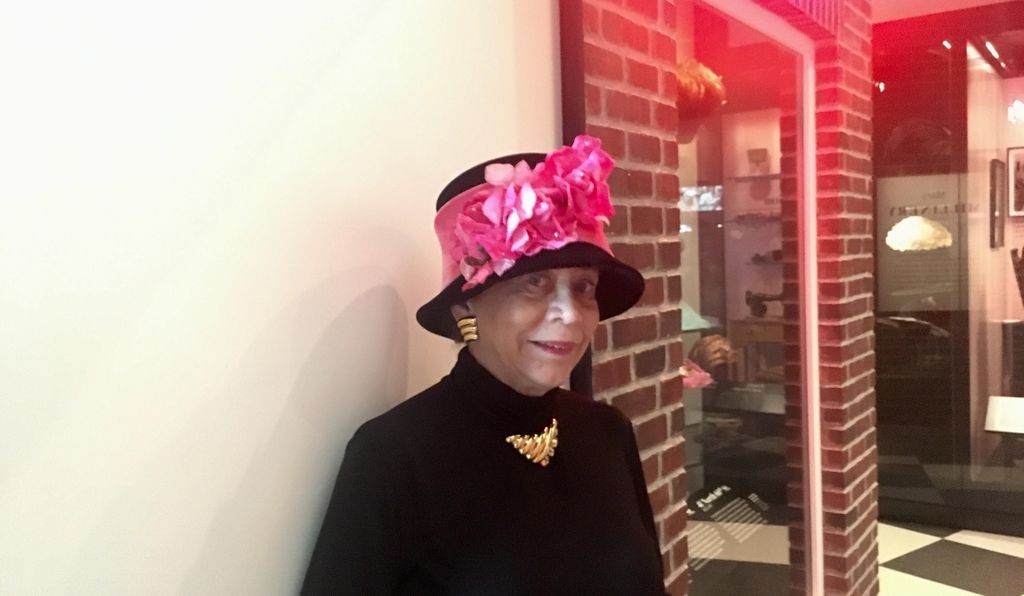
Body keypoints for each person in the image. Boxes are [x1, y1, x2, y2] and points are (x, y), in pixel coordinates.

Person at [301, 135, 667, 595]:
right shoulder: (396, 456)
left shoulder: (607, 433)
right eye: (534, 282)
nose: (570, 315)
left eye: (584, 287)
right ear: (465, 307)